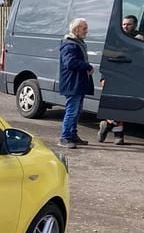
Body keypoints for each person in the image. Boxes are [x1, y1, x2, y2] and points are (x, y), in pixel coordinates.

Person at [98, 15, 144, 145]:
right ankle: (118, 135)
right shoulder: (116, 38)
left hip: (132, 76)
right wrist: (104, 77)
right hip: (116, 75)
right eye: (124, 24)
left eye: (128, 24)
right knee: (118, 105)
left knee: (124, 105)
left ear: (134, 25)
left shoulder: (139, 40)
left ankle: (107, 124)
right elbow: (108, 59)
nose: (125, 26)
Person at [58, 18, 94, 149]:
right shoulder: (69, 45)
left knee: (77, 111)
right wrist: (87, 66)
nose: (86, 31)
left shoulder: (78, 43)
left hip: (78, 83)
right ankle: (65, 137)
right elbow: (70, 63)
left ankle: (72, 135)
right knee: (72, 111)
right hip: (72, 83)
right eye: (84, 28)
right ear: (76, 29)